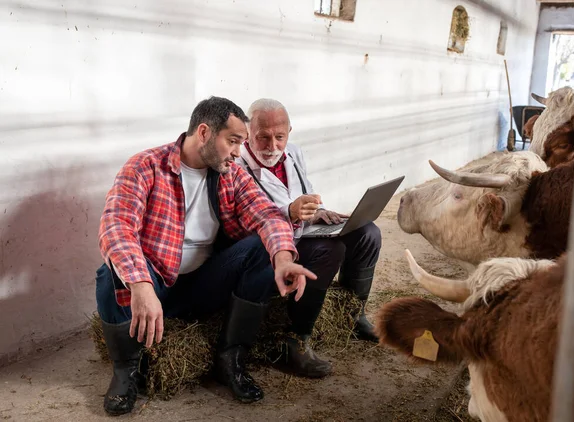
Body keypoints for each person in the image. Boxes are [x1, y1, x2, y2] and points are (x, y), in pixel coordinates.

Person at [95, 96, 325, 416]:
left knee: (262, 246)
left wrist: (284, 258)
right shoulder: (145, 166)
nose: (238, 152)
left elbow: (268, 216)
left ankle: (230, 358)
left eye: (241, 143)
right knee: (109, 273)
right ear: (203, 133)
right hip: (157, 282)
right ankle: (125, 372)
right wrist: (141, 285)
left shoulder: (230, 174)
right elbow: (116, 228)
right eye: (232, 141)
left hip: (204, 283)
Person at [237, 98, 382, 343]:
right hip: (271, 244)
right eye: (263, 137)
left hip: (305, 228)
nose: (273, 146)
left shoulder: (293, 152)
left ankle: (354, 314)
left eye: (280, 137)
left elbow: (306, 190)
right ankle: (297, 337)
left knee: (368, 232)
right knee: (330, 249)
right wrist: (291, 212)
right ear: (247, 133)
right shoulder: (237, 166)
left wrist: (321, 211)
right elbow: (252, 216)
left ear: (289, 132)